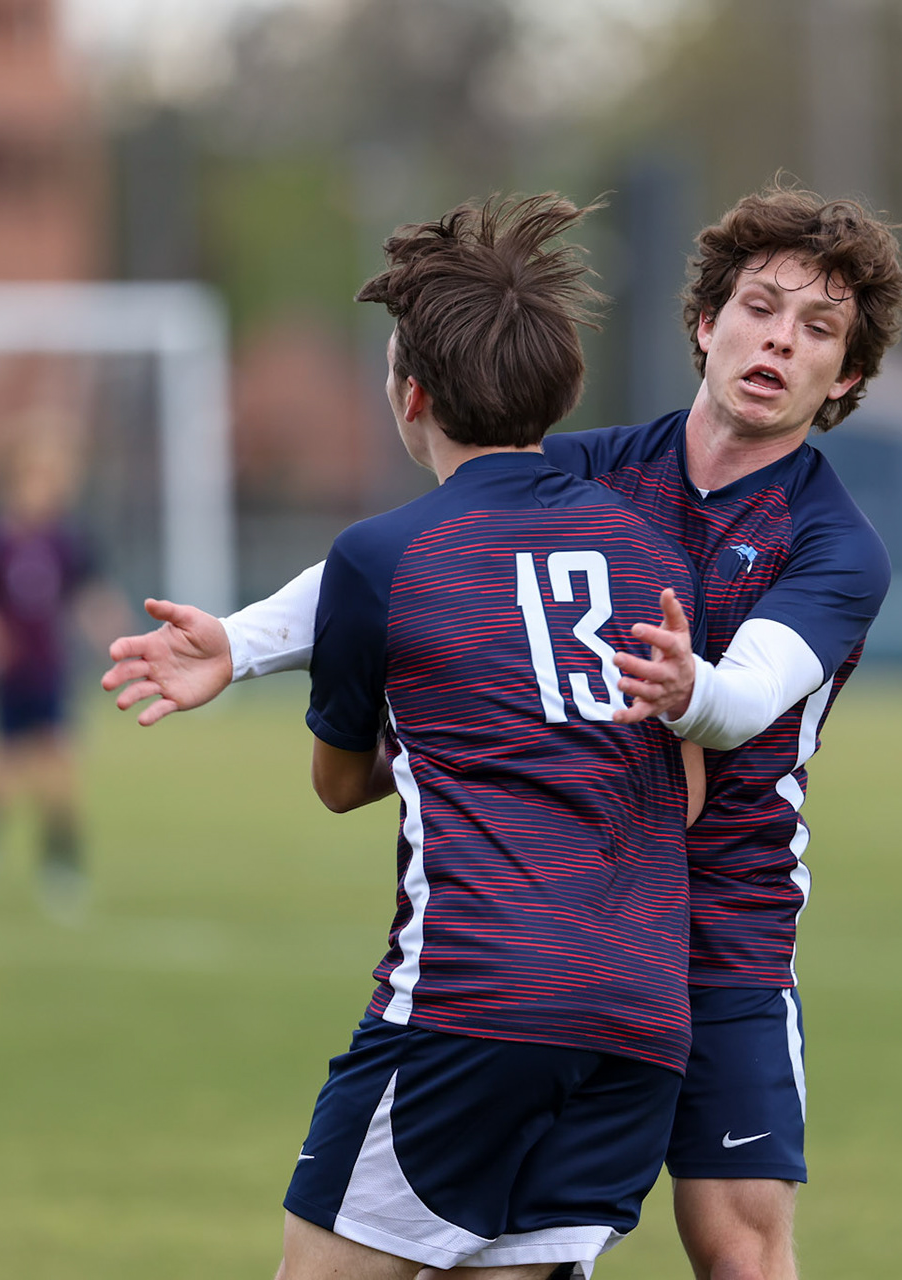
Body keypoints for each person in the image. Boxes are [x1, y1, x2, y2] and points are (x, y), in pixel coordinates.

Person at [103, 183, 902, 1280]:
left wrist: (688, 691)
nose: (780, 337)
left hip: (723, 921)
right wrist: (240, 644)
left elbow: (750, 693)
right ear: (705, 321)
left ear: (846, 376)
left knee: (737, 1244)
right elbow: (432, 543)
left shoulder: (834, 543)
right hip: (585, 901)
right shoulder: (602, 468)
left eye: (818, 329)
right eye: (760, 305)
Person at [242, 193, 704, 1279]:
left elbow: (340, 781)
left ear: (412, 397)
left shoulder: (380, 557)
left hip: (471, 1002)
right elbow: (679, 792)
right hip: (637, 1016)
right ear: (565, 391)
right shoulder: (651, 552)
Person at [0, 428, 127, 920]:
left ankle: (60, 864)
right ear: (19, 480)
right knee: (2, 767)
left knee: (61, 765)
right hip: (8, 673)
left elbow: (90, 595)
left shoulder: (65, 540)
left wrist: (114, 632)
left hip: (50, 671)